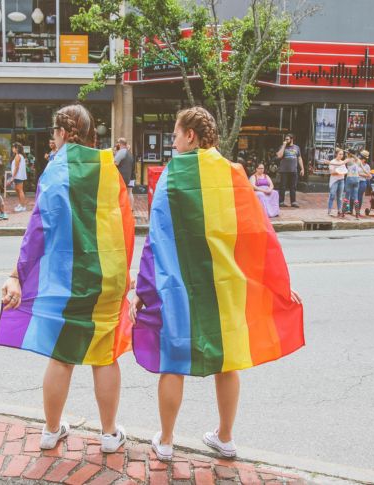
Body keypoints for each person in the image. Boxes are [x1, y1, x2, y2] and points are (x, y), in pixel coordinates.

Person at [130, 106, 303, 461]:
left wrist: (145, 291)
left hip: (179, 287)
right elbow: (258, 235)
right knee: (227, 360)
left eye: (176, 135)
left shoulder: (172, 176)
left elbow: (156, 240)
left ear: (190, 135)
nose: (174, 143)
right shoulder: (233, 173)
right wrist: (276, 285)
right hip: (224, 285)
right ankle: (225, 436)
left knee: (173, 361)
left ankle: (165, 440)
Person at [0, 103, 134, 454]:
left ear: (60, 133)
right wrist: (124, 271)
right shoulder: (108, 169)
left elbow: (38, 230)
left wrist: (18, 275)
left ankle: (51, 430)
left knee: (61, 355)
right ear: (90, 134)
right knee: (104, 355)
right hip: (104, 276)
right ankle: (108, 434)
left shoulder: (55, 172)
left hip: (63, 279)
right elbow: (123, 226)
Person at [276, 134, 304, 208]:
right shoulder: (282, 147)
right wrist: (284, 146)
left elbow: (299, 158)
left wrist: (302, 168)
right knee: (282, 186)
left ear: (291, 139)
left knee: (293, 187)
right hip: (284, 170)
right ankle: (281, 202)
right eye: (285, 139)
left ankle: (293, 202)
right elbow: (279, 156)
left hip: (293, 170)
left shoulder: (297, 147)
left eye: (287, 139)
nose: (286, 140)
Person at [114, 137, 135, 208]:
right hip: (130, 176)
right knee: (130, 193)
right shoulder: (129, 152)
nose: (116, 144)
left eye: (117, 143)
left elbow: (115, 163)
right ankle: (131, 208)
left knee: (120, 193)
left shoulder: (122, 151)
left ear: (120, 144)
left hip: (123, 177)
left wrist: (115, 154)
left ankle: (122, 208)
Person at [327, 148, 347, 217]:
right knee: (332, 195)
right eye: (340, 154)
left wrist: (340, 172)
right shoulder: (332, 162)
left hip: (341, 180)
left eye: (342, 154)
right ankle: (329, 211)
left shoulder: (342, 162)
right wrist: (338, 171)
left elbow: (344, 171)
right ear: (336, 154)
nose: (341, 155)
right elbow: (332, 172)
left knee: (340, 196)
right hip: (334, 181)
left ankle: (339, 210)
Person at [343, 151, 362, 219]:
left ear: (349, 154)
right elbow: (362, 169)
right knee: (356, 197)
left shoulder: (348, 159)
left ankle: (343, 213)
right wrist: (368, 175)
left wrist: (329, 162)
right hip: (356, 179)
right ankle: (357, 215)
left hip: (349, 178)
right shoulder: (359, 160)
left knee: (346, 196)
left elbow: (340, 163)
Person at [11, 142, 28, 212]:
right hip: (18, 176)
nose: (12, 149)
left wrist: (13, 176)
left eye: (13, 147)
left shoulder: (18, 156)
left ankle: (23, 206)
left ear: (16, 148)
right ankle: (21, 204)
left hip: (18, 176)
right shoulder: (20, 156)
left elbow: (16, 167)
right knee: (18, 190)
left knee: (20, 190)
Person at [356, 150, 372, 215]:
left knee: (360, 196)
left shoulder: (367, 166)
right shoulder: (356, 164)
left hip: (363, 181)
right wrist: (362, 174)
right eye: (360, 158)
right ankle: (350, 209)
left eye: (362, 158)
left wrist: (360, 174)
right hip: (356, 181)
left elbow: (369, 176)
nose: (361, 159)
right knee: (353, 196)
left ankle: (358, 210)